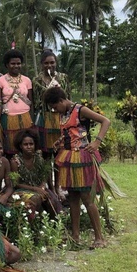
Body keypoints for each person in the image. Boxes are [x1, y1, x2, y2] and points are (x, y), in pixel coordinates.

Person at [44, 86, 109, 248]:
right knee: (72, 197)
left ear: (61, 100)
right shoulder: (63, 113)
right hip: (68, 157)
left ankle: (99, 238)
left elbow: (105, 121)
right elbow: (72, 132)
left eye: (54, 106)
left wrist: (97, 142)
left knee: (87, 198)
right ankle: (75, 235)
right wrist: (60, 141)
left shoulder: (80, 110)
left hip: (82, 157)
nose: (54, 110)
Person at [12, 129, 63, 217]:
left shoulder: (39, 158)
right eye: (25, 144)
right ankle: (32, 225)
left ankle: (52, 224)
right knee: (36, 199)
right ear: (20, 146)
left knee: (51, 201)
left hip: (39, 188)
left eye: (31, 144)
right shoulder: (16, 161)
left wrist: (42, 186)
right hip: (22, 190)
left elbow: (44, 176)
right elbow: (16, 184)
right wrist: (35, 189)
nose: (29, 147)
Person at [32, 49, 70, 158]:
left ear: (56, 63)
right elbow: (35, 100)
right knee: (45, 148)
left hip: (60, 117)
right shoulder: (37, 80)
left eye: (52, 62)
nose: (49, 65)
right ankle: (47, 171)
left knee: (62, 146)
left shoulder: (63, 78)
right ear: (42, 64)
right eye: (46, 63)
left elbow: (68, 97)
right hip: (44, 117)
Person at [0, 49, 33, 156]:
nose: (16, 66)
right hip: (8, 118)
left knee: (26, 148)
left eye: (18, 63)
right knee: (10, 149)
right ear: (7, 65)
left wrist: (32, 119)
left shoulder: (27, 80)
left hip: (26, 117)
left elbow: (31, 102)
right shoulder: (0, 81)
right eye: (13, 63)